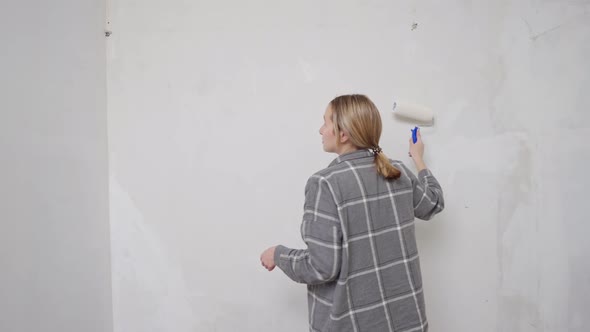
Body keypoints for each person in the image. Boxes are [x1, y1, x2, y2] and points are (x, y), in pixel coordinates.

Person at [260, 94, 444, 332]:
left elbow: (321, 267)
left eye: (325, 122)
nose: (320, 130)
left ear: (343, 134)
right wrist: (418, 159)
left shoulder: (325, 183)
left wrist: (279, 255)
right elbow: (433, 204)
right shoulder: (398, 171)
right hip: (408, 323)